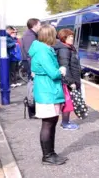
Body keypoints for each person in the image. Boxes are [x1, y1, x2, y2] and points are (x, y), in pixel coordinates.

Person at [29, 24, 67, 165]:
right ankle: (47, 156)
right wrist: (61, 70)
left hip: (47, 90)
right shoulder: (44, 52)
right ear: (50, 36)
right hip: (48, 91)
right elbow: (53, 73)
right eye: (54, 34)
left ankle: (51, 153)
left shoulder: (42, 49)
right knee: (48, 123)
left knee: (51, 122)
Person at [53, 28, 81, 130]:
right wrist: (71, 82)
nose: (72, 38)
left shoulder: (69, 47)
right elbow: (65, 66)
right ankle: (65, 123)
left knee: (69, 102)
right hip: (67, 81)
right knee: (68, 102)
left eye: (72, 36)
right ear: (64, 38)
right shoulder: (64, 49)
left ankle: (66, 121)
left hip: (71, 78)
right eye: (70, 36)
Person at [22, 18, 42, 119]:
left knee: (33, 87)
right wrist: (33, 69)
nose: (40, 26)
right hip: (31, 65)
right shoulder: (30, 36)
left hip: (30, 64)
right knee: (32, 88)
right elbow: (31, 54)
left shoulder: (30, 35)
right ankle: (32, 111)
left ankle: (34, 110)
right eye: (39, 24)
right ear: (34, 25)